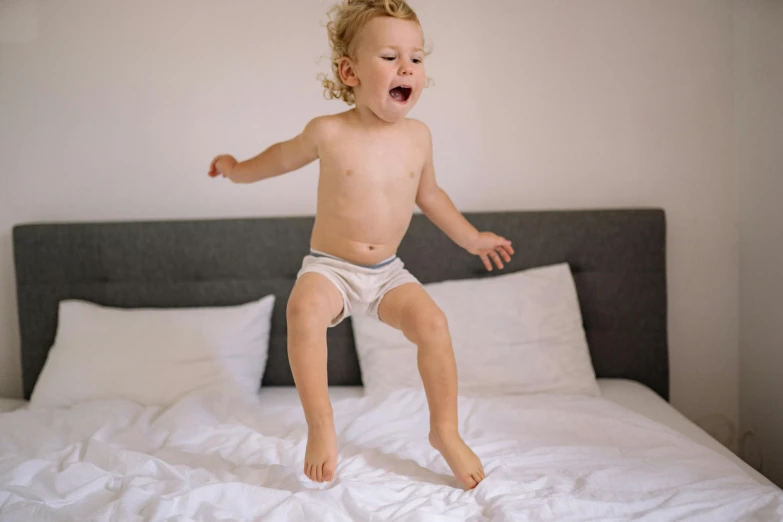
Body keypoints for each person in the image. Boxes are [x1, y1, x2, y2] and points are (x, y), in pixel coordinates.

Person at [208, 0, 513, 490]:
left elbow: (431, 196)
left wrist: (472, 238)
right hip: (331, 268)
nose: (407, 68)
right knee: (304, 311)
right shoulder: (328, 132)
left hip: (388, 272)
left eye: (416, 57)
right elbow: (280, 159)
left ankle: (445, 431)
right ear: (349, 71)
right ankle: (321, 425)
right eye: (390, 57)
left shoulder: (418, 137)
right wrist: (235, 169)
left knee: (433, 324)